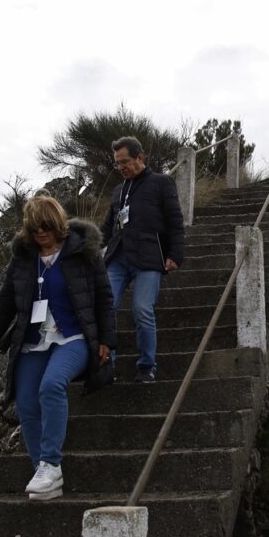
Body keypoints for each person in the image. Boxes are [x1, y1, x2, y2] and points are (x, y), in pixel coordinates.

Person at [0, 195, 115, 501]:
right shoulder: (23, 259)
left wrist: (106, 340)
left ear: (58, 225)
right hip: (33, 342)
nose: (41, 233)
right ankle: (44, 472)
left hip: (74, 337)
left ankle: (51, 463)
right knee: (25, 403)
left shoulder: (83, 253)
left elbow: (104, 298)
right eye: (35, 227)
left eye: (47, 227)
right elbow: (4, 306)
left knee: (51, 386)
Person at [102, 136, 185, 383]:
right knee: (106, 309)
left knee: (141, 309)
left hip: (149, 257)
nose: (121, 167)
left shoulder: (161, 183)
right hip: (118, 257)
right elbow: (107, 227)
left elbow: (175, 221)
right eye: (117, 164)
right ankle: (108, 367)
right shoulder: (119, 191)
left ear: (140, 158)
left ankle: (146, 366)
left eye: (125, 162)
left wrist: (175, 254)